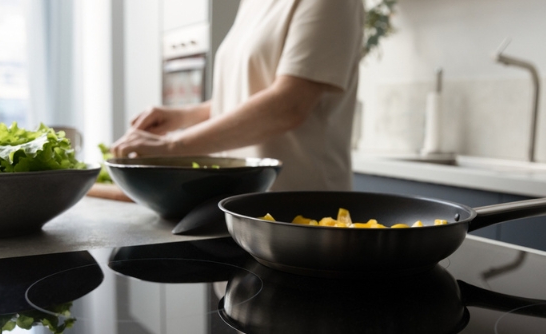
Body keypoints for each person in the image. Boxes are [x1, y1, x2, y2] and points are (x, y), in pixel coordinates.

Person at [112, 0, 364, 192]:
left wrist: (173, 147)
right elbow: (250, 93)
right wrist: (184, 116)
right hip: (244, 200)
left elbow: (289, 104)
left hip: (302, 206)